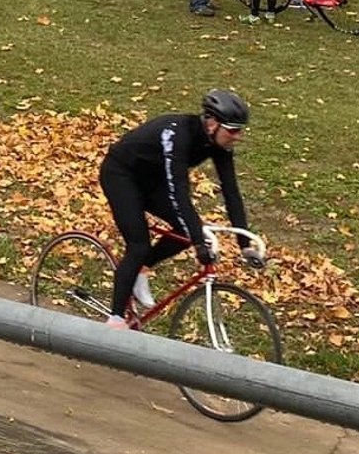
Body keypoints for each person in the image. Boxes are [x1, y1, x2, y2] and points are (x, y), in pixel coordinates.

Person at [98, 90, 259, 329]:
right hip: (121, 175)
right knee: (139, 244)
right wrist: (199, 243)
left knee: (189, 231)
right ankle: (115, 318)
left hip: (152, 181)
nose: (239, 136)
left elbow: (231, 192)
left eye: (241, 130)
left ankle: (141, 269)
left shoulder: (218, 144)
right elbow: (179, 193)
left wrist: (244, 245)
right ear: (212, 124)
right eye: (234, 130)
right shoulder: (178, 134)